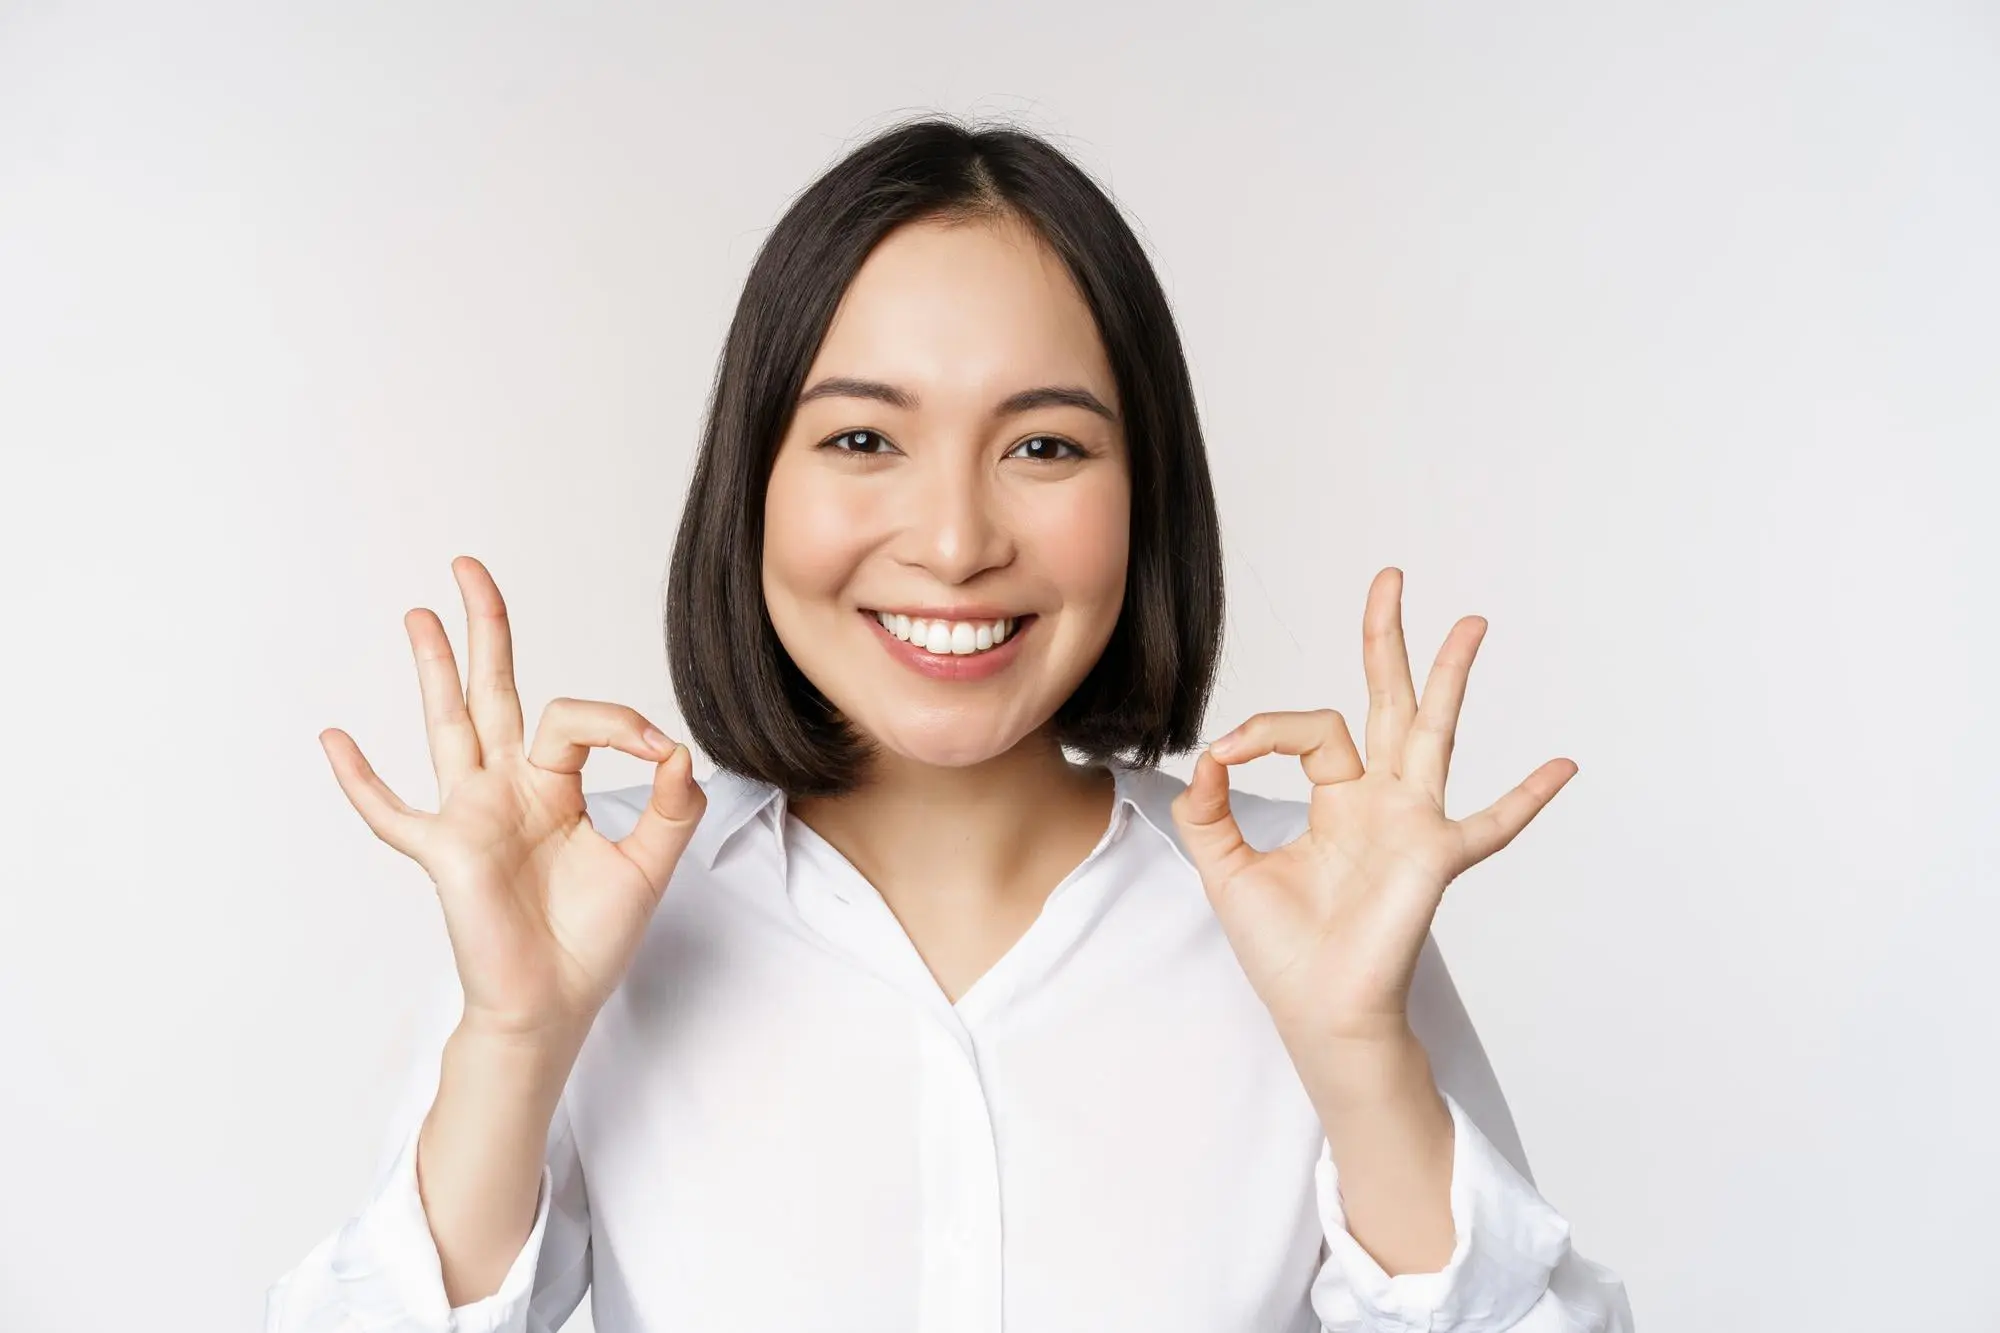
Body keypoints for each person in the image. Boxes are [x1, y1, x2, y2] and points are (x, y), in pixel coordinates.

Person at [264, 116, 1633, 1332]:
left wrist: (1357, 1056)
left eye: (1045, 446)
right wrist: (512, 1038)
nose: (959, 540)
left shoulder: (1311, 910)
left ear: (1146, 495)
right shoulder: (576, 905)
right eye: (864, 440)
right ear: (752, 482)